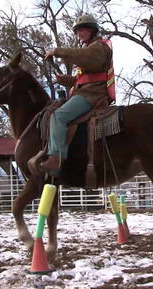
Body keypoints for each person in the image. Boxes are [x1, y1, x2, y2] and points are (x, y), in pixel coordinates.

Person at [39, 14, 115, 176]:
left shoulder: (99, 47)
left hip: (92, 95)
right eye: (77, 31)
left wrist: (57, 51)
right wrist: (66, 80)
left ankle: (56, 158)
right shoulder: (91, 48)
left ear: (92, 30)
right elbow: (82, 79)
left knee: (58, 116)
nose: (78, 34)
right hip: (87, 91)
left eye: (82, 30)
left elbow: (83, 57)